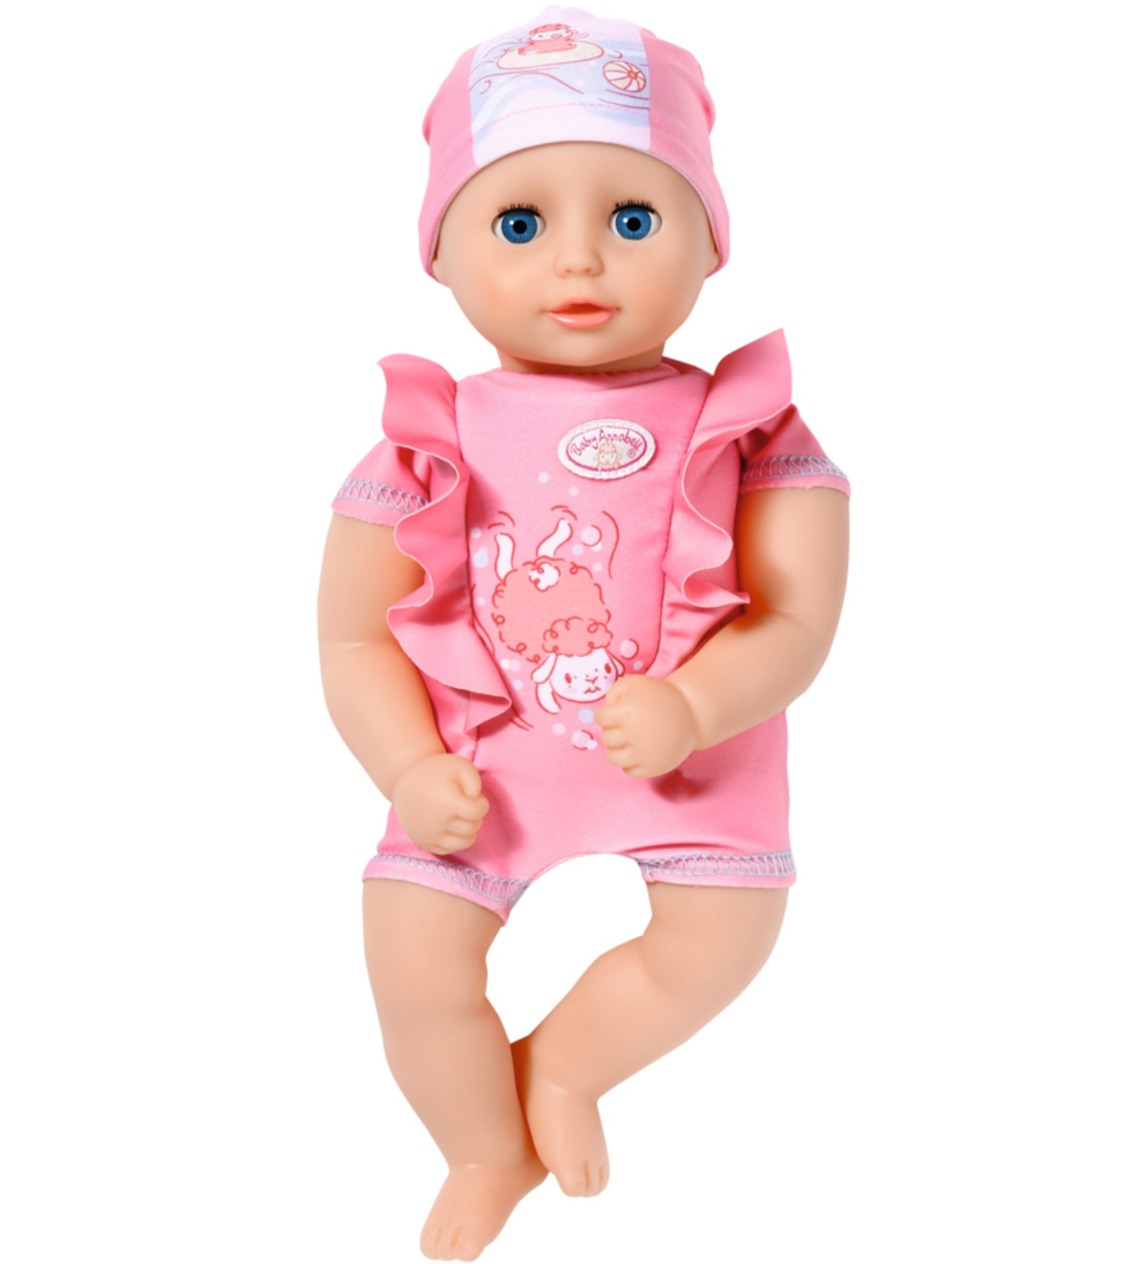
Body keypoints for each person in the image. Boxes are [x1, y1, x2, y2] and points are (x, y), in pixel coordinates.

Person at [317, 9, 850, 1260]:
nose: (579, 259)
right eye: (519, 223)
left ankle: (563, 1066)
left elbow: (801, 615)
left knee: (719, 942)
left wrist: (700, 704)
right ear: (439, 253)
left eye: (633, 217)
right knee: (412, 970)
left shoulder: (750, 429)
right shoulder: (424, 440)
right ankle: (481, 1145)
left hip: (696, 772)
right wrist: (406, 764)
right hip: (481, 777)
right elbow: (350, 640)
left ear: (710, 243)